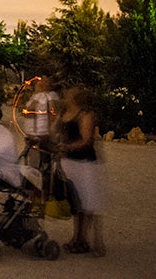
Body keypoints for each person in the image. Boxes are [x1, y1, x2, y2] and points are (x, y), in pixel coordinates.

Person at [55, 85, 106, 256]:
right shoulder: (63, 113)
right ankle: (77, 238)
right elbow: (54, 130)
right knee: (76, 202)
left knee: (88, 202)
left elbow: (86, 140)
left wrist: (66, 146)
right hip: (69, 162)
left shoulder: (85, 114)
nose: (66, 93)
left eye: (69, 92)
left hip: (84, 162)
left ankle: (88, 240)